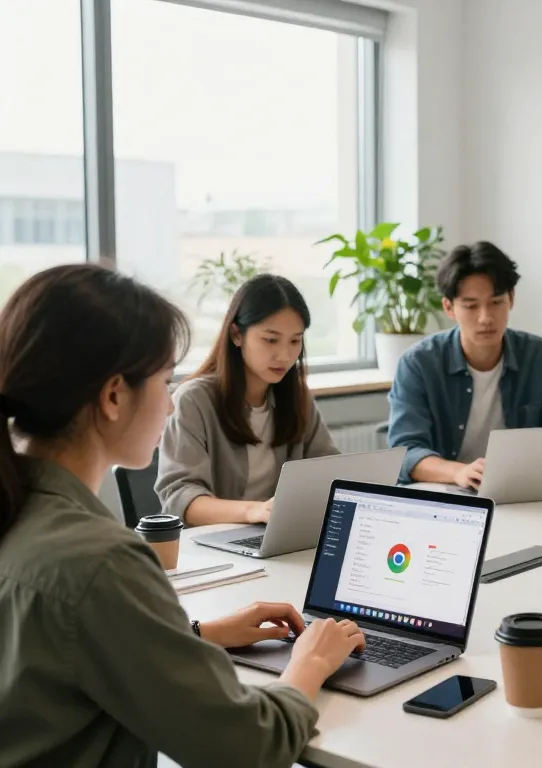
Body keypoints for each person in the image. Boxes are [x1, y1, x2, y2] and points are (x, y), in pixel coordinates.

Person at [0, 264, 365, 768]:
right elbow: (248, 747)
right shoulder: (101, 562)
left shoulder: (21, 516)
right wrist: (309, 664)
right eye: (164, 379)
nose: (171, 402)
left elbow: (62, 655)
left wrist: (197, 635)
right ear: (113, 396)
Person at [387, 241, 542, 487]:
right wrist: (458, 472)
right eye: (470, 306)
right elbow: (405, 452)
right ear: (449, 307)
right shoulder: (418, 363)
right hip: (445, 491)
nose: (485, 318)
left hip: (519, 489)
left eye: (496, 302)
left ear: (511, 299)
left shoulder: (540, 356)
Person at [156, 274, 338, 526]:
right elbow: (180, 499)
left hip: (279, 537)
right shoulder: (194, 400)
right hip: (215, 543)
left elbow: (329, 470)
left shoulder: (297, 397)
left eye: (295, 341)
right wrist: (253, 511)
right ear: (236, 335)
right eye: (271, 340)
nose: (285, 355)